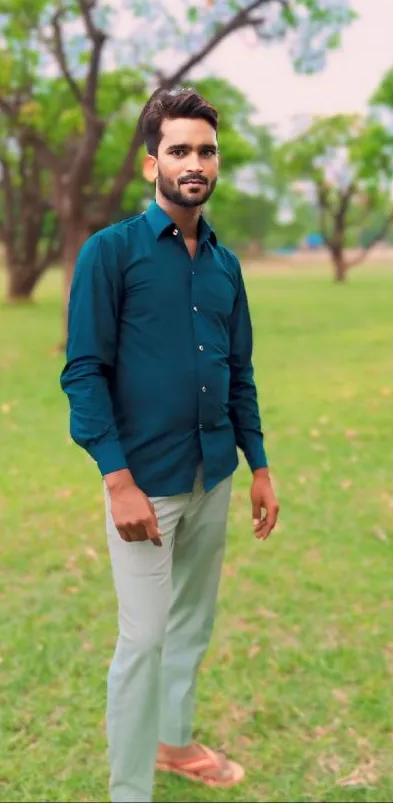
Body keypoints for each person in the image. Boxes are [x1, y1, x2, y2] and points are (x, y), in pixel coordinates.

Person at [60, 87, 279, 803]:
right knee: (143, 639)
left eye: (206, 150)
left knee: (190, 624)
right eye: (179, 150)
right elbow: (84, 370)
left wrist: (259, 467)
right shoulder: (110, 253)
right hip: (145, 485)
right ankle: (129, 790)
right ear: (152, 161)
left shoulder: (224, 266)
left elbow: (238, 370)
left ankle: (175, 741)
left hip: (212, 473)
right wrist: (117, 480)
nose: (194, 162)